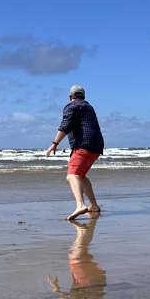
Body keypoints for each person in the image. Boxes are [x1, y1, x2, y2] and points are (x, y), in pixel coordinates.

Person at [45, 85, 104, 220]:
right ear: (83, 96)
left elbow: (65, 126)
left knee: (72, 175)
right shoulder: (89, 107)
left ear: (71, 97)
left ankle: (80, 205)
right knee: (81, 175)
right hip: (97, 146)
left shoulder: (71, 106)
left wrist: (54, 144)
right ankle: (93, 205)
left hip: (83, 144)